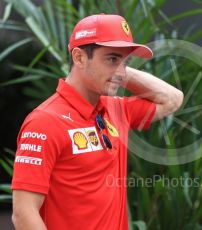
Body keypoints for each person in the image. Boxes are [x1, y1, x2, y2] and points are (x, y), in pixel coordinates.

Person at [11, 14, 183, 230]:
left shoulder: (116, 109)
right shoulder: (44, 121)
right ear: (79, 57)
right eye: (111, 59)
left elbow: (172, 99)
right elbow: (23, 214)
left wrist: (117, 69)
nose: (121, 72)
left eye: (125, 62)